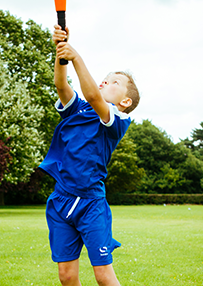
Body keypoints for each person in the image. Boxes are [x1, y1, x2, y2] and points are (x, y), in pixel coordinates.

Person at [39, 24, 140, 286]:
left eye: (115, 81)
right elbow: (61, 85)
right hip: (61, 201)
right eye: (106, 77)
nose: (106, 80)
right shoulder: (79, 110)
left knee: (103, 276)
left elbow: (94, 95)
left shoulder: (116, 119)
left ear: (125, 101)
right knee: (66, 276)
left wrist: (76, 57)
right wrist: (61, 54)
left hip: (91, 205)